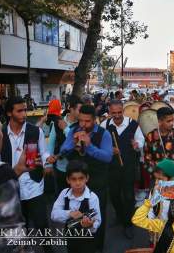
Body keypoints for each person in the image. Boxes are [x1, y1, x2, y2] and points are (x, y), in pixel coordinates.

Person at [0, 96, 53, 253]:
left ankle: (48, 248)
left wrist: (47, 162)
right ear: (9, 113)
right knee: (20, 226)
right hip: (11, 188)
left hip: (34, 184)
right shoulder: (1, 134)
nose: (24, 114)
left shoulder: (35, 131)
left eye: (25, 110)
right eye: (20, 110)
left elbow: (44, 153)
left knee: (42, 223)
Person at [60, 104, 113, 251]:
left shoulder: (104, 134)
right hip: (76, 184)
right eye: (81, 120)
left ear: (94, 120)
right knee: (75, 215)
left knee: (96, 216)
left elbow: (108, 157)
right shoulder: (73, 130)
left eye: (87, 121)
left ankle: (96, 248)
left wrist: (89, 146)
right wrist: (73, 143)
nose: (83, 124)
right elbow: (63, 150)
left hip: (97, 182)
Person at [100, 99, 145, 238]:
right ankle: (120, 216)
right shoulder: (104, 125)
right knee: (114, 195)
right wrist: (108, 149)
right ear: (109, 112)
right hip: (111, 167)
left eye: (120, 112)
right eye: (114, 113)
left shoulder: (133, 124)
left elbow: (141, 140)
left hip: (128, 166)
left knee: (129, 196)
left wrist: (137, 145)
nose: (117, 115)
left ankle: (128, 223)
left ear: (123, 110)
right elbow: (99, 143)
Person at [51, 161, 101, 253]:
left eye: (81, 178)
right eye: (73, 179)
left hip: (87, 240)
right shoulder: (64, 194)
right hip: (70, 238)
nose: (78, 183)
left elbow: (97, 221)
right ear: (68, 180)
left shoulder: (92, 197)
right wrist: (69, 213)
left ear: (87, 178)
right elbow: (54, 215)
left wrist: (90, 225)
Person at [47, 95, 83, 194]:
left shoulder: (82, 125)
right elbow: (51, 143)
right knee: (62, 196)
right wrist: (48, 164)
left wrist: (66, 129)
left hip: (77, 168)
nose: (81, 113)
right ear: (71, 109)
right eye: (79, 110)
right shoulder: (58, 122)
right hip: (60, 167)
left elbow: (77, 143)